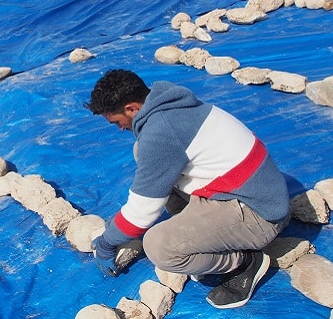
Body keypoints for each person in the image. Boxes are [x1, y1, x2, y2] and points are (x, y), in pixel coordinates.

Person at [86, 69, 290, 309]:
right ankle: (203, 236)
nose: (119, 128)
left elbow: (142, 213)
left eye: (116, 122)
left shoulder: (161, 133)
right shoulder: (170, 104)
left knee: (159, 247)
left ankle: (245, 262)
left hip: (261, 214)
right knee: (143, 156)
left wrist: (106, 242)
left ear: (131, 108)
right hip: (251, 191)